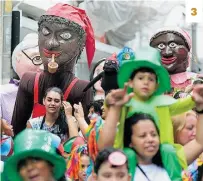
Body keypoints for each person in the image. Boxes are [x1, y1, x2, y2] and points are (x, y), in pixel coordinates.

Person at [98, 47, 203, 171]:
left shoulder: (163, 103)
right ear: (131, 82)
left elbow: (181, 105)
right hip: (129, 158)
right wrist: (113, 104)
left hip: (162, 157)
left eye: (151, 79)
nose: (146, 82)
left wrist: (194, 99)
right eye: (141, 78)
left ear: (157, 85)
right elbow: (108, 124)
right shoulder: (125, 102)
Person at [11, 3, 95, 135]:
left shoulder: (81, 89)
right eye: (45, 32)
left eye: (65, 36)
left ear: (81, 44)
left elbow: (86, 139)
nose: (51, 44)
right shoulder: (29, 81)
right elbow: (17, 131)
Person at [149, 27, 203, 93]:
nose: (167, 52)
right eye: (161, 46)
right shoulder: (145, 82)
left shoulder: (198, 81)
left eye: (173, 45)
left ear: (187, 50)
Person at [172, 111, 203, 181]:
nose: (195, 133)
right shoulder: (166, 156)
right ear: (176, 129)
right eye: (190, 128)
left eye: (197, 128)